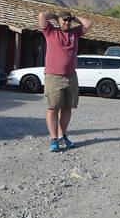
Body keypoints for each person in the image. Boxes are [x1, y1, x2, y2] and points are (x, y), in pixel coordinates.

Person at [38, 10, 92, 152]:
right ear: (58, 21)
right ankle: (53, 139)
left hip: (71, 76)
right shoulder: (50, 32)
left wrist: (74, 17)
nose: (67, 22)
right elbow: (42, 16)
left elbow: (88, 23)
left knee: (67, 108)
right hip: (53, 76)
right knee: (52, 108)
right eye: (64, 20)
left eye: (69, 20)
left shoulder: (75, 33)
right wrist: (55, 16)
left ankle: (63, 136)